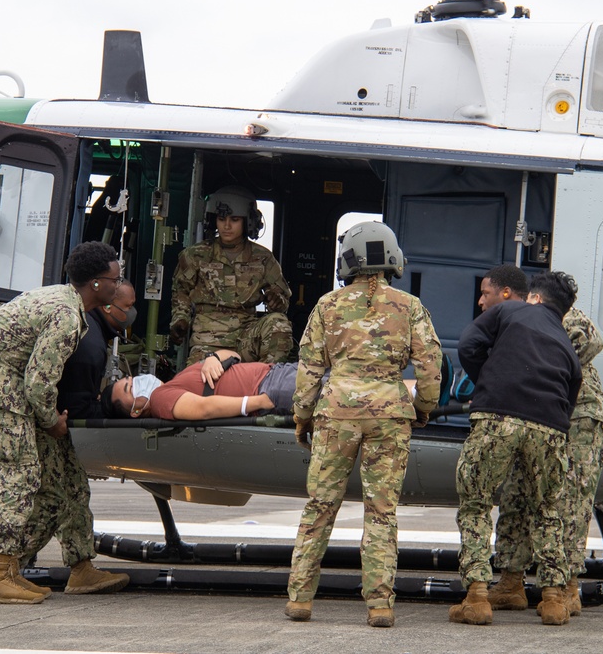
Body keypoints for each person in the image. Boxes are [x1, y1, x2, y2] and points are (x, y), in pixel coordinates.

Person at [0, 241, 130, 604]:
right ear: (95, 284)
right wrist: (50, 421)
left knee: (65, 472)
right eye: (115, 279)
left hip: (6, 386)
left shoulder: (70, 304)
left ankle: (81, 567)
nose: (119, 285)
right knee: (20, 474)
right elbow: (39, 380)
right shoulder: (66, 316)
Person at [284, 221, 442, 629]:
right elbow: (429, 368)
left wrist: (303, 418)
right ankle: (379, 606)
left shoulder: (327, 305)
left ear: (349, 260)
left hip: (336, 413)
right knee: (382, 511)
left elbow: (309, 372)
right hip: (390, 414)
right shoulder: (410, 307)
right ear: (392, 259)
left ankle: (301, 599)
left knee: (320, 505)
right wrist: (422, 408)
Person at [450, 271, 581, 627]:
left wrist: (489, 382)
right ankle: (553, 599)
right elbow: (572, 387)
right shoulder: (566, 341)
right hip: (550, 426)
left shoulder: (510, 310)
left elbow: (468, 344)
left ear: (534, 297)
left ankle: (477, 596)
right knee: (546, 509)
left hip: (498, 416)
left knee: (476, 502)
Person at [489, 304, 603, 617]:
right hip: (534, 414)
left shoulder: (552, 311)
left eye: (485, 294)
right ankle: (511, 582)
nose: (480, 302)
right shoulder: (507, 319)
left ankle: (566, 586)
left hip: (578, 416)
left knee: (569, 502)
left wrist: (551, 366)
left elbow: (591, 340)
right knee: (516, 494)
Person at [169, 185, 293, 365]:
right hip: (207, 341)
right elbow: (181, 292)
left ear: (247, 221)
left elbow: (283, 300)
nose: (226, 226)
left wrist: (277, 301)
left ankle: (265, 381)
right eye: (221, 219)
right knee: (198, 384)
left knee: (279, 323)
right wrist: (180, 319)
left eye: (234, 219)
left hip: (246, 339)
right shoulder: (195, 255)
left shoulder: (263, 258)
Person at [103, 348, 288, 421]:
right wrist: (261, 402)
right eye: (130, 388)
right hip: (270, 387)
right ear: (135, 411)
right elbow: (204, 408)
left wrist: (213, 358)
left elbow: (235, 356)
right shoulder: (160, 399)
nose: (137, 381)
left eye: (132, 378)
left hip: (277, 373)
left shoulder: (176, 382)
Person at [57, 280, 137, 419]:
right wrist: (111, 409)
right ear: (107, 307)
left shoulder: (91, 325)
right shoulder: (92, 346)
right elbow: (76, 409)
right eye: (128, 306)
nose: (132, 313)